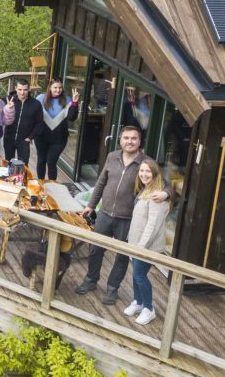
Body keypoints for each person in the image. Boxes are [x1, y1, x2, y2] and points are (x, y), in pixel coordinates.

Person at [76, 126, 171, 304]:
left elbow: (166, 185)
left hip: (128, 219)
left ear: (139, 141)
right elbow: (101, 182)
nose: (129, 141)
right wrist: (91, 205)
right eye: (126, 138)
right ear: (120, 140)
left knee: (121, 256)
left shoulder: (146, 163)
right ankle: (91, 280)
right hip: (104, 213)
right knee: (95, 249)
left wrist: (166, 194)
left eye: (133, 138)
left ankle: (112, 289)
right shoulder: (112, 157)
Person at [122, 159, 169, 325]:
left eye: (148, 171)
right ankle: (138, 302)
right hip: (136, 242)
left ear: (155, 173)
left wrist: (141, 247)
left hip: (146, 246)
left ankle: (149, 309)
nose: (144, 174)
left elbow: (152, 225)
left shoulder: (157, 195)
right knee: (135, 274)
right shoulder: (145, 189)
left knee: (139, 275)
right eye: (141, 171)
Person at [34, 80, 81, 180]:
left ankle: (52, 186)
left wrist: (75, 103)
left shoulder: (68, 100)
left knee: (51, 162)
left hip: (59, 138)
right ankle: (40, 183)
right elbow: (33, 116)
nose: (58, 90)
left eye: (60, 87)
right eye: (55, 87)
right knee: (41, 160)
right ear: (50, 87)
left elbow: (71, 118)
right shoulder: (40, 98)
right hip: (41, 137)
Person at [2, 79, 43, 166]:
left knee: (23, 166)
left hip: (24, 140)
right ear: (16, 88)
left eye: (25, 90)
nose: (22, 93)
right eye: (20, 89)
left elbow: (39, 123)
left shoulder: (36, 104)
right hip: (9, 138)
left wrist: (30, 137)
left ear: (29, 90)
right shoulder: (9, 99)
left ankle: (22, 180)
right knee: (8, 164)